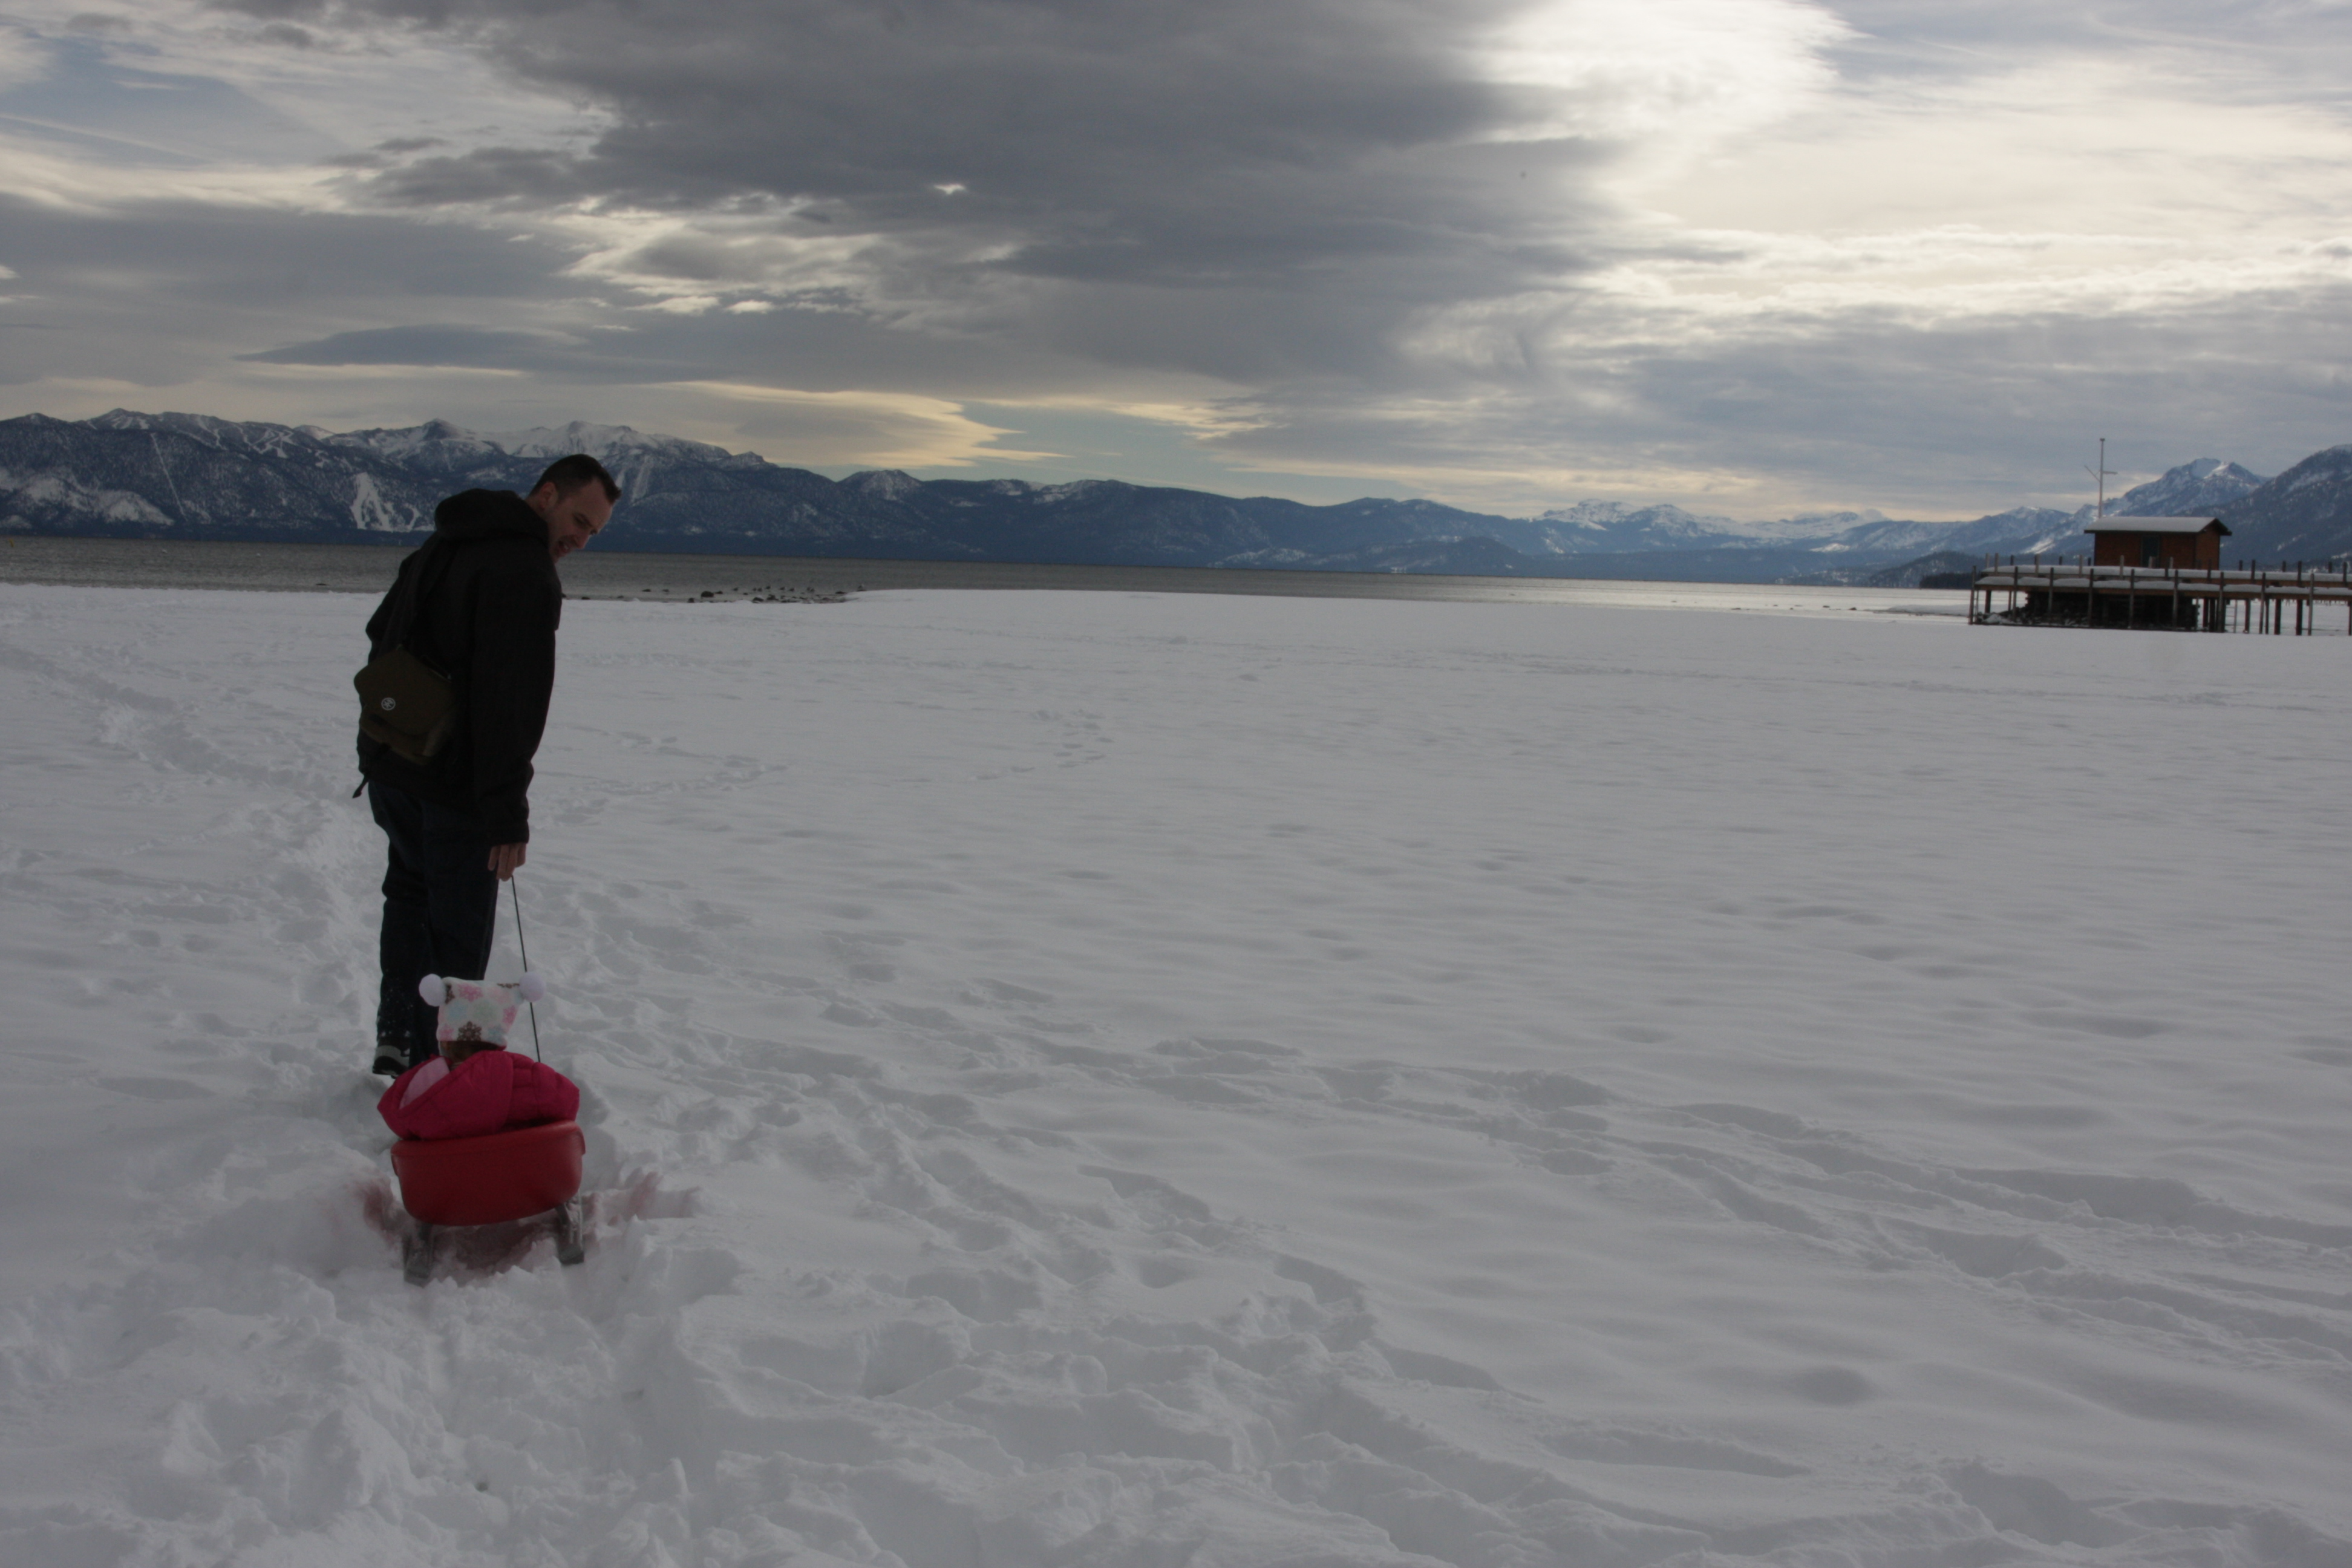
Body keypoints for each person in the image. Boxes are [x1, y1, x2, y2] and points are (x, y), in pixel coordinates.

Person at [359, 454, 619, 1076]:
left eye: (593, 533)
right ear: (547, 495)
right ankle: (447, 1070)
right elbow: (512, 703)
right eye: (578, 522)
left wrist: (402, 718)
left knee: (409, 898)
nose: (580, 541)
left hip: (394, 762)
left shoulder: (449, 539)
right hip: (457, 785)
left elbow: (382, 631)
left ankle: (401, 1040)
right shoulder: (524, 572)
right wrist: (506, 813)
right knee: (459, 932)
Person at [379, 974, 581, 1140]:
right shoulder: (524, 1075)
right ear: (498, 1041)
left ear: (446, 1041)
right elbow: (568, 1101)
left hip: (446, 1173)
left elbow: (393, 1114)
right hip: (514, 1170)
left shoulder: (421, 1083)